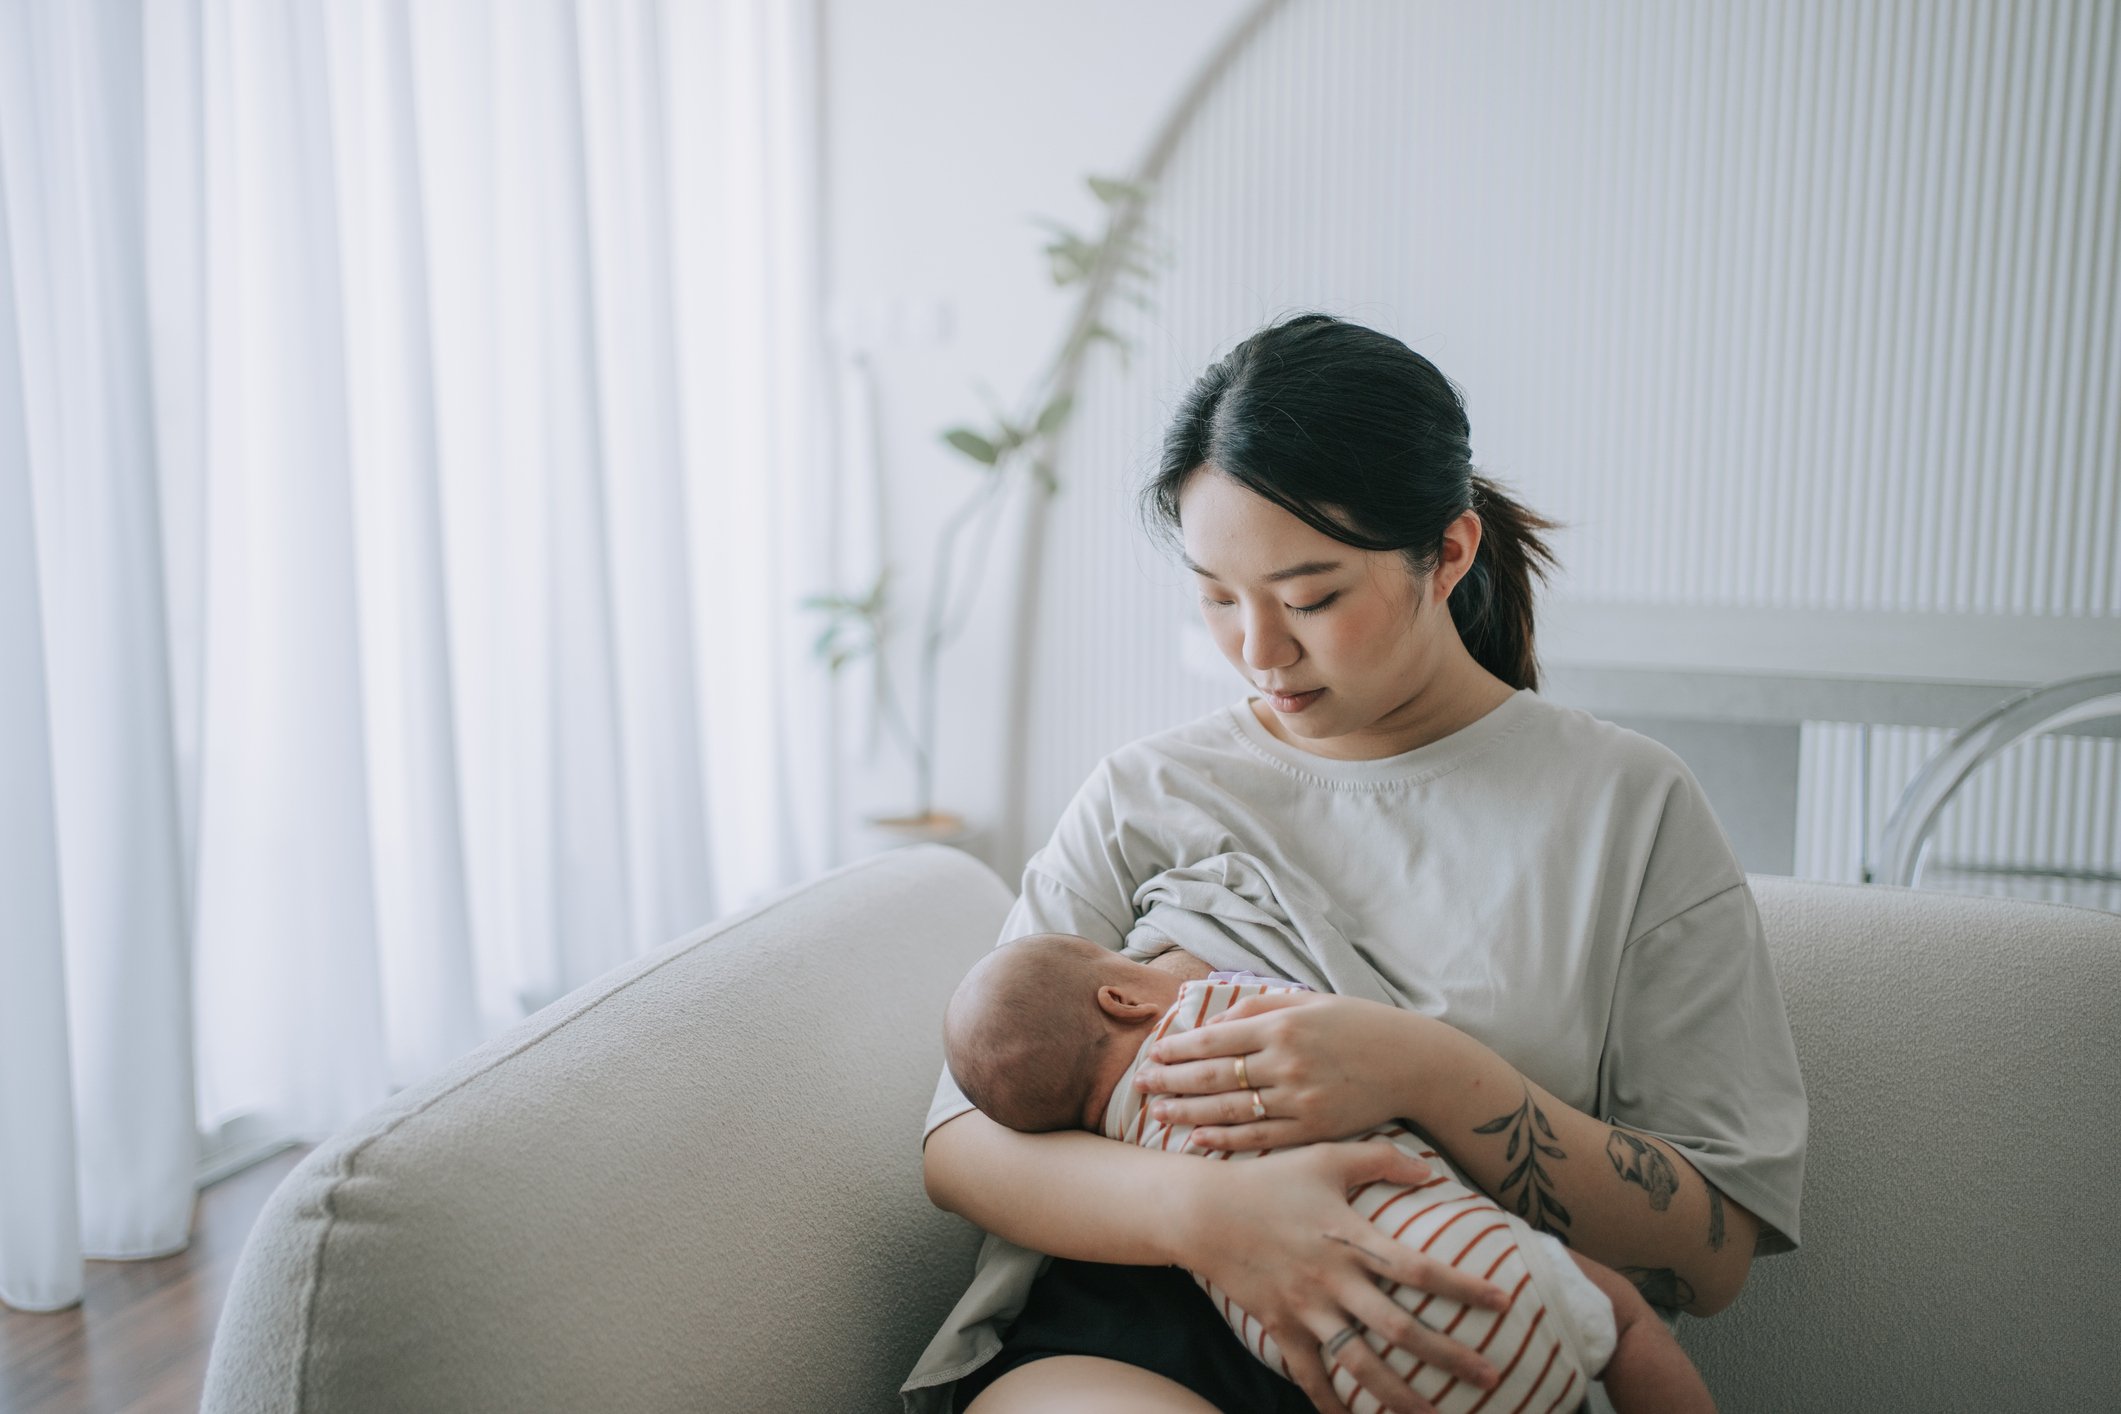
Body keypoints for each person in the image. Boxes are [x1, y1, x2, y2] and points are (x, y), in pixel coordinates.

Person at [901, 312, 1808, 1414]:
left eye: (1312, 596)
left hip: (1457, 1342)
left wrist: (1425, 1070)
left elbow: (1713, 1244)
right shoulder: (1148, 793)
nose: (1259, 650)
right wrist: (1214, 1216)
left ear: (1451, 552)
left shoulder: (1628, 807)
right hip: (1139, 1328)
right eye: (1217, 595)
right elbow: (963, 1145)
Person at [941, 933, 1717, 1414]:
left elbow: (1712, 1263)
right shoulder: (1214, 1010)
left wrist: (1429, 1068)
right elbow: (949, 1153)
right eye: (1136, 958)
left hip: (1349, 1372)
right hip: (1485, 1279)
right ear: (1120, 995)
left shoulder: (1120, 1140)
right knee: (1621, 1322)